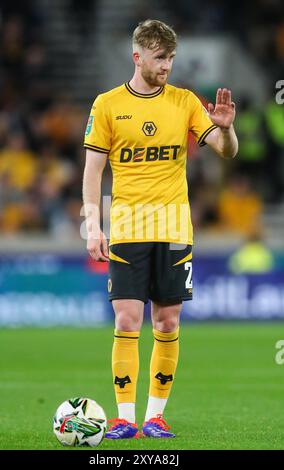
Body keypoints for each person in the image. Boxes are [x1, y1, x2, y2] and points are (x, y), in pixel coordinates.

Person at [83, 19, 238, 439]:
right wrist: (92, 226)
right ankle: (124, 419)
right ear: (137, 57)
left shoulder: (185, 101)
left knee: (167, 323)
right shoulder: (107, 104)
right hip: (128, 226)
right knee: (128, 318)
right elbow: (93, 169)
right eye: (159, 58)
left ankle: (155, 417)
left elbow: (226, 152)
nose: (167, 65)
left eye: (171, 58)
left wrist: (226, 128)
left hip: (174, 227)